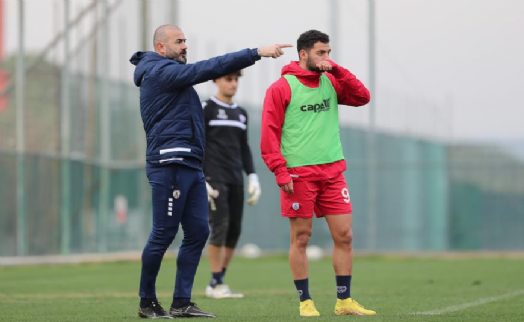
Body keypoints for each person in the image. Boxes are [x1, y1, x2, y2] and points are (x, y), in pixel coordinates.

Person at [130, 24, 291, 319]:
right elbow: (208, 68)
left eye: (185, 41)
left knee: (199, 232)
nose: (185, 46)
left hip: (190, 166)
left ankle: (181, 302)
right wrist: (255, 53)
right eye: (179, 42)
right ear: (161, 48)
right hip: (170, 164)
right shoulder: (159, 72)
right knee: (163, 234)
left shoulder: (173, 74)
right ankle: (146, 302)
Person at [260, 30, 376, 317]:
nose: (326, 58)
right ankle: (305, 302)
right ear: (303, 54)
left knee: (345, 235)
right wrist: (280, 171)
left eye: (329, 52)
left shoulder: (331, 80)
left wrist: (336, 69)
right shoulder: (281, 88)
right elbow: (269, 134)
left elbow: (362, 97)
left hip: (333, 171)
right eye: (321, 53)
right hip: (298, 175)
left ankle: (344, 302)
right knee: (301, 237)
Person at [201, 71, 261, 299]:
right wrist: (202, 177)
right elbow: (198, 142)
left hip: (236, 178)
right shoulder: (206, 108)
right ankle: (216, 284)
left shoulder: (241, 113)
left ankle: (218, 280)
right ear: (216, 80)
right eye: (228, 79)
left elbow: (244, 147)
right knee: (220, 227)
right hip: (214, 179)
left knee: (234, 230)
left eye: (236, 79)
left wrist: (253, 176)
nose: (233, 83)